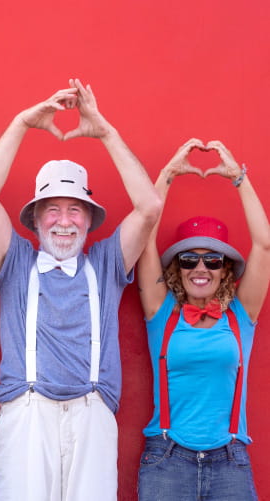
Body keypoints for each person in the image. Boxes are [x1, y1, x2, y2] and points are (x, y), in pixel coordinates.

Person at [0, 79, 162, 500]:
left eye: (75, 210)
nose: (64, 221)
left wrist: (105, 132)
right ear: (36, 220)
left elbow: (149, 208)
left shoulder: (105, 264)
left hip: (93, 413)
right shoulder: (16, 261)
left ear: (89, 220)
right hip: (26, 412)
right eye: (52, 209)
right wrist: (21, 124)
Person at [136, 139, 269, 500]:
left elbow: (264, 245)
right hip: (167, 459)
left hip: (230, 461)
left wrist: (239, 178)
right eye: (188, 259)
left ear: (225, 270)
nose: (200, 268)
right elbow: (145, 237)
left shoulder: (241, 315)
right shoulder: (161, 314)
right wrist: (168, 174)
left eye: (212, 260)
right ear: (177, 269)